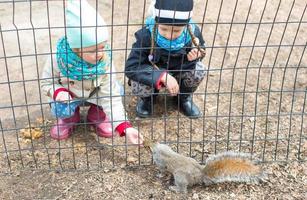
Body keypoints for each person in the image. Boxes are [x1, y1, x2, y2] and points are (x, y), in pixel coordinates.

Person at [41, 0, 143, 144]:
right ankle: (69, 118)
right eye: (92, 50)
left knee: (117, 89)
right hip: (68, 96)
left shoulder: (105, 61)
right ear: (76, 49)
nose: (99, 54)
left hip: (95, 94)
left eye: (102, 47)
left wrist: (124, 127)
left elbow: (111, 96)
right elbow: (46, 82)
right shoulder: (58, 58)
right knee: (59, 105)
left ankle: (97, 115)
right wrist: (58, 92)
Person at [125, 0, 206, 119]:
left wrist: (197, 54)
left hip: (180, 71)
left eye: (177, 31)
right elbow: (131, 67)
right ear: (156, 22)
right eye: (163, 29)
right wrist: (161, 76)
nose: (169, 35)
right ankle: (148, 99)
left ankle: (182, 98)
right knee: (138, 81)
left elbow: (202, 48)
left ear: (186, 25)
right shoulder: (146, 35)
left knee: (199, 69)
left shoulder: (193, 32)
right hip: (153, 74)